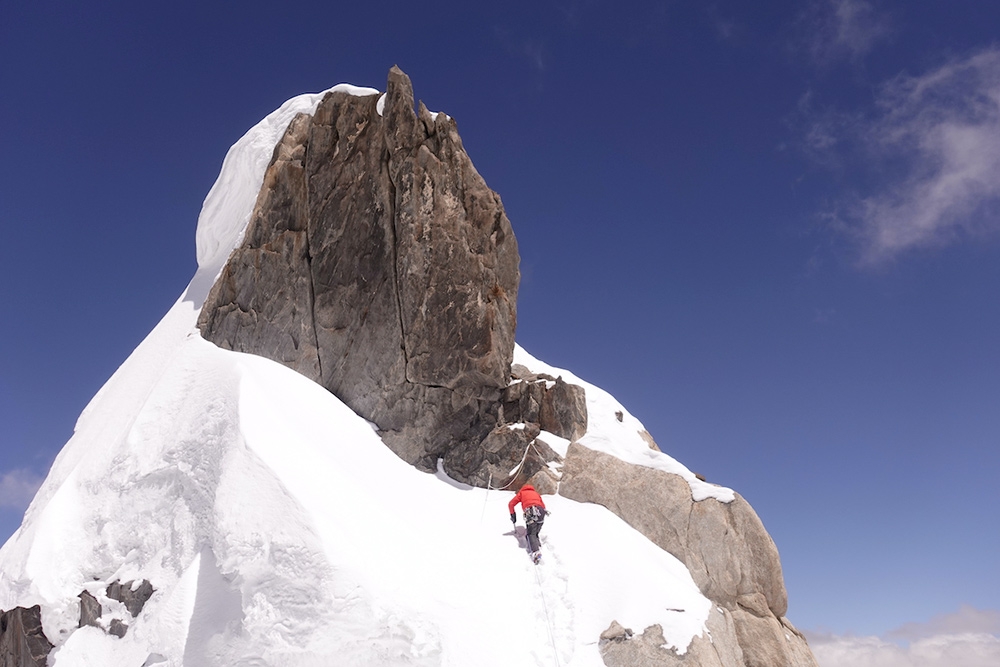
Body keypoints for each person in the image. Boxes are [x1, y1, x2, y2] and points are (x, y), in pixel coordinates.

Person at [509, 484, 547, 563]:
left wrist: (513, 515)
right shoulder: (536, 494)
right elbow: (543, 505)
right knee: (536, 531)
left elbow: (511, 504)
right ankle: (537, 544)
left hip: (531, 511)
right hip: (541, 511)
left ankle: (536, 552)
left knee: (530, 534)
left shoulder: (522, 493)